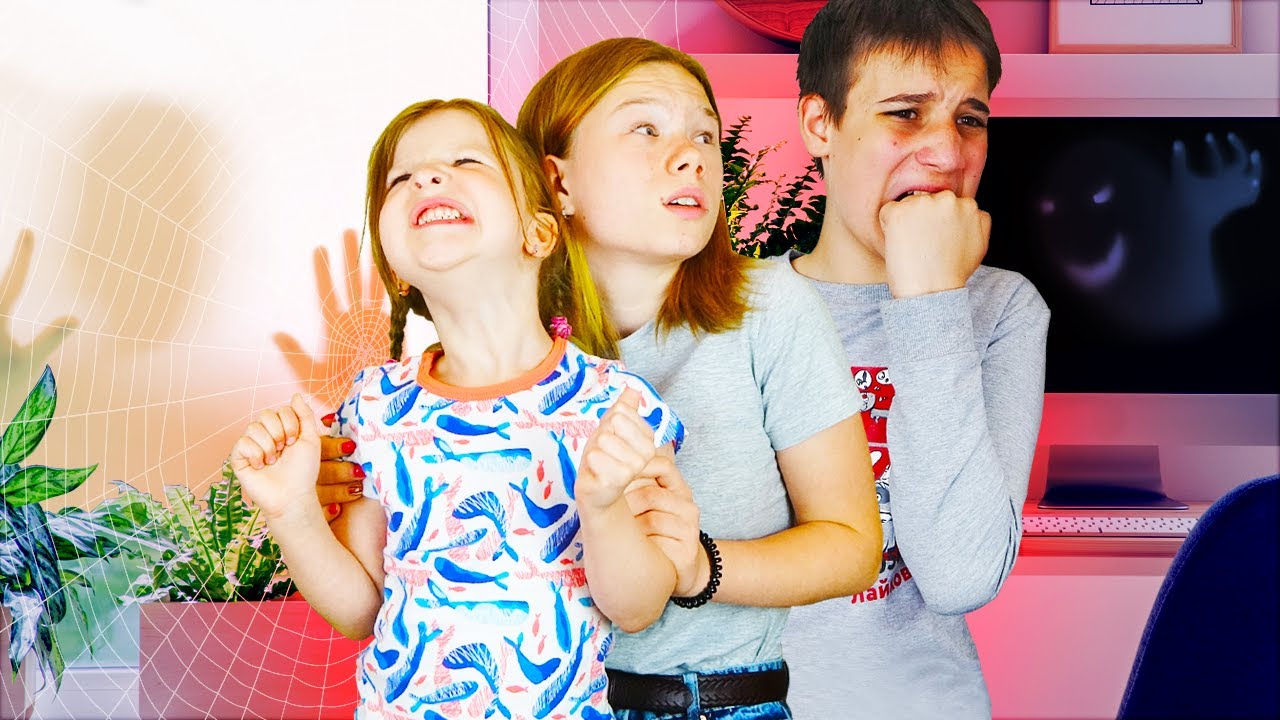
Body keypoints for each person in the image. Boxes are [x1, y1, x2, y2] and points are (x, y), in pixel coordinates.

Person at [320, 38, 883, 719]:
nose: (691, 156)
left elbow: (853, 547)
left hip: (706, 703)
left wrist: (698, 566)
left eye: (705, 135)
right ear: (556, 186)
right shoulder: (492, 337)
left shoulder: (770, 309)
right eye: (646, 128)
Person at [230, 98, 689, 720]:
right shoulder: (373, 407)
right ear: (395, 269)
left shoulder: (616, 403)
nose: (426, 177)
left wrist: (603, 509)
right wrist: (292, 514)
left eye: (466, 161)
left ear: (539, 233)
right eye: (401, 178)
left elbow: (637, 608)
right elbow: (361, 610)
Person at [780, 1, 1051, 718]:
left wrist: (931, 297)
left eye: (970, 119)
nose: (950, 154)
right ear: (820, 124)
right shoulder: (736, 309)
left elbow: (960, 577)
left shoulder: (1004, 309)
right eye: (905, 113)